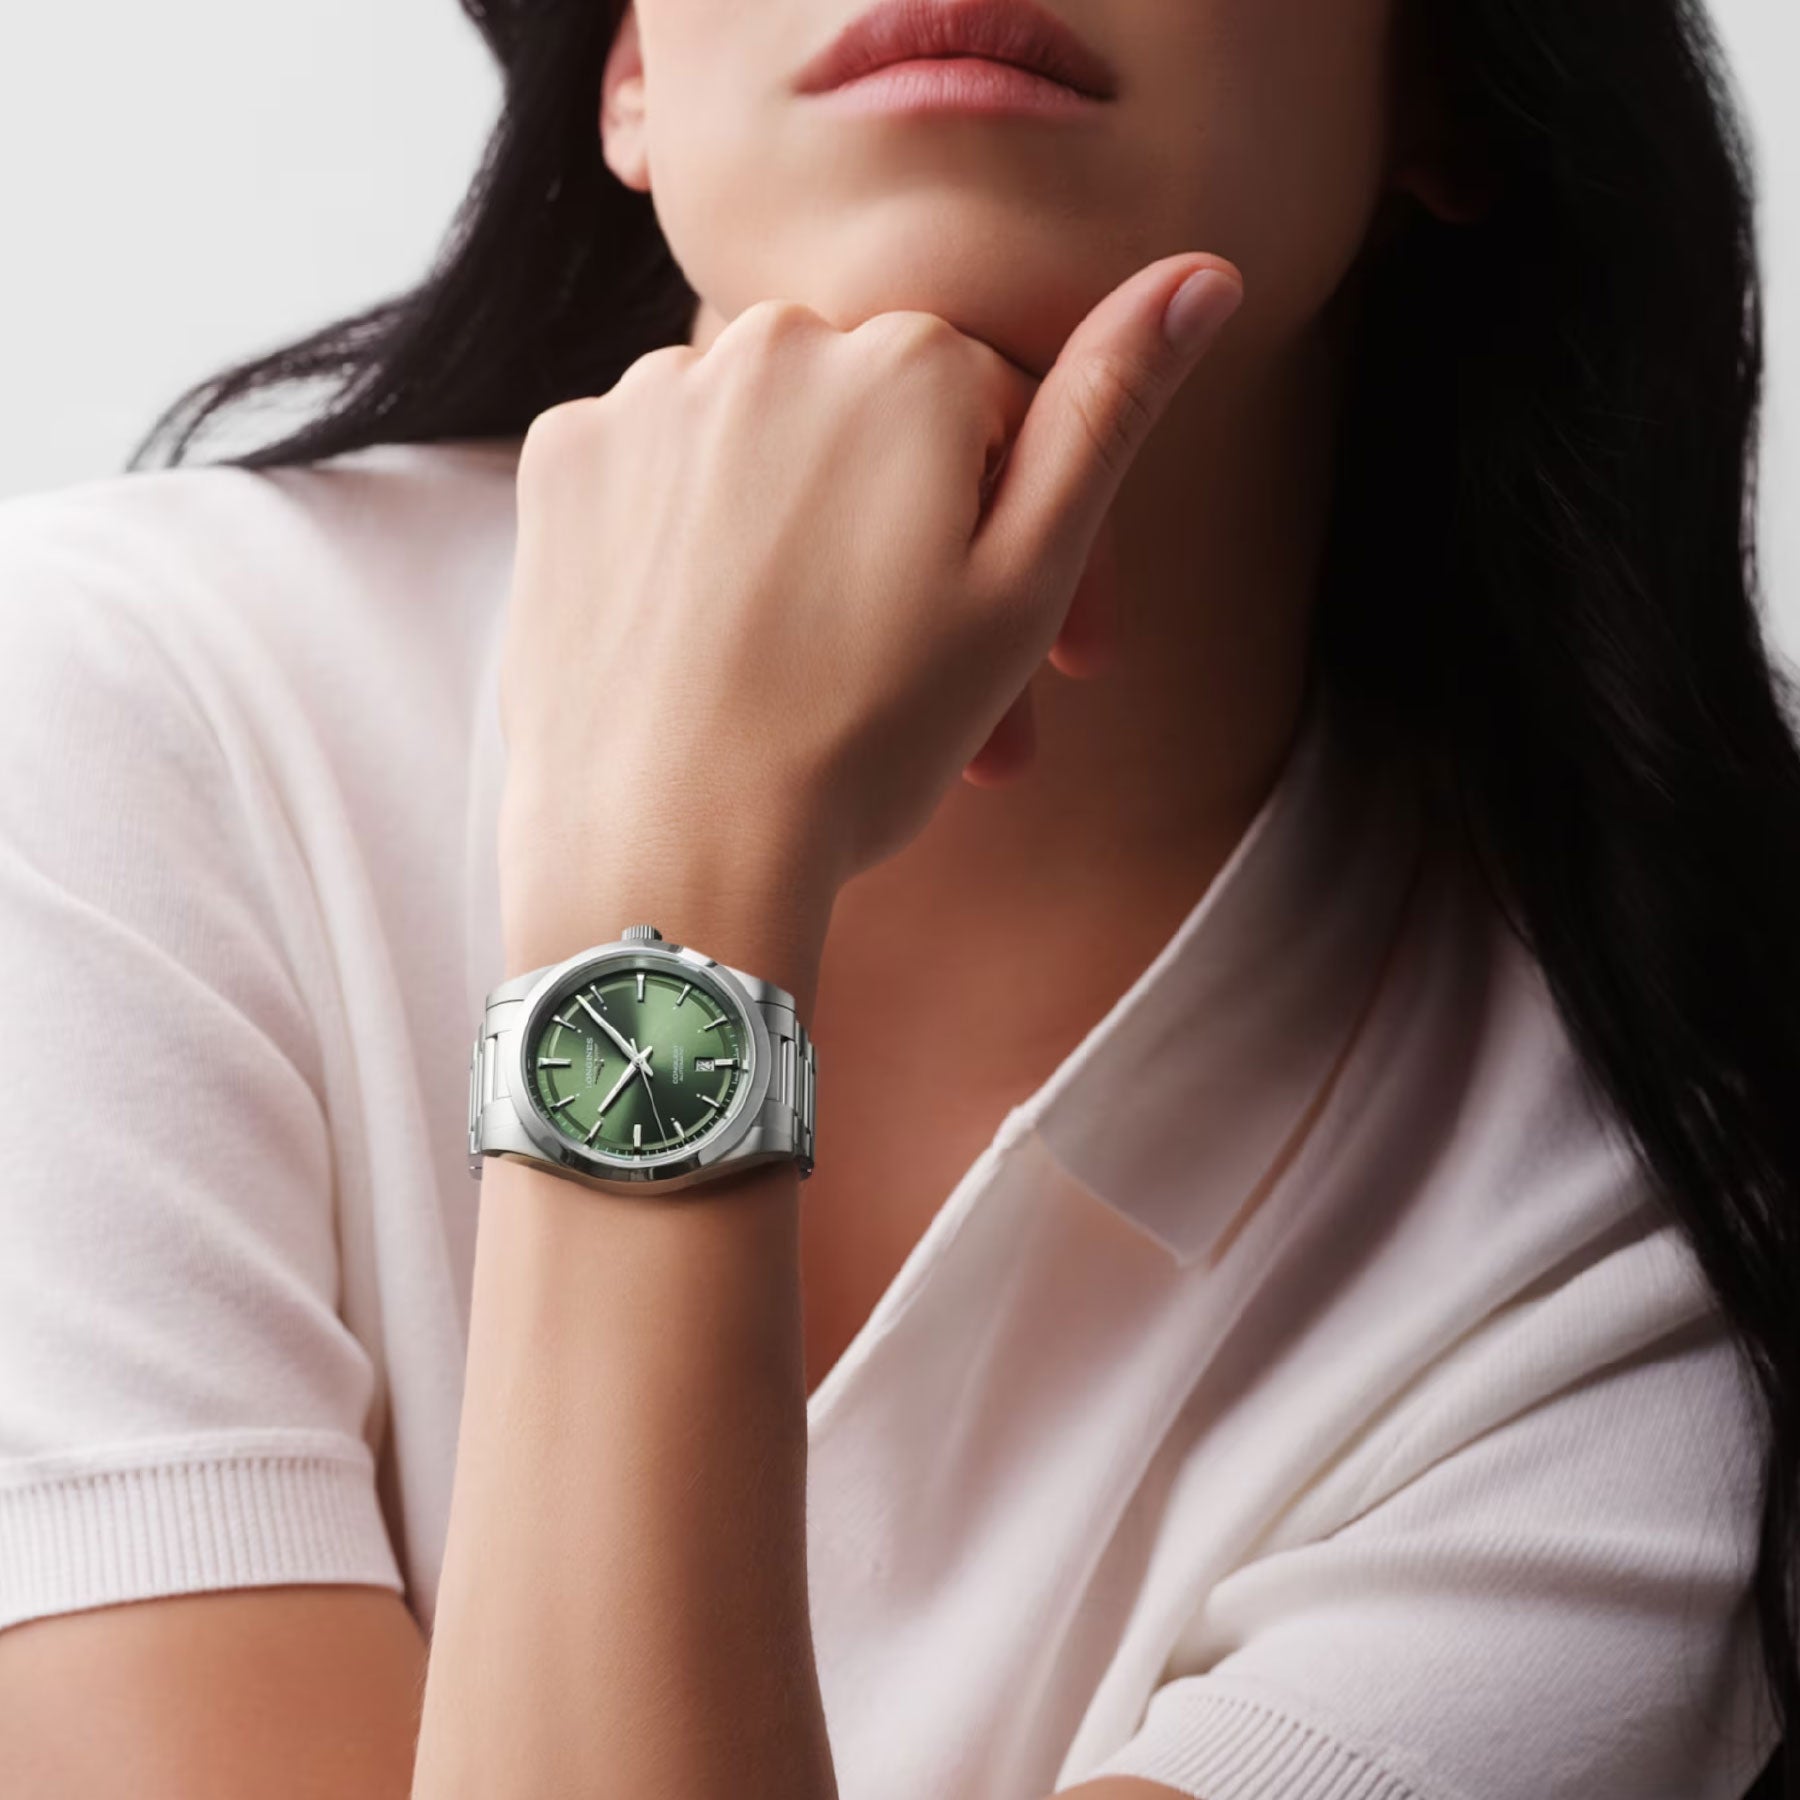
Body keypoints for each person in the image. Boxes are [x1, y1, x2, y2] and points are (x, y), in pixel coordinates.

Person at [0, 1, 1795, 1795]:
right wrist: (671, 871)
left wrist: (670, 894)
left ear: (1448, 90)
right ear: (631, 72)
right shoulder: (112, 731)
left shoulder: (1641, 1254)